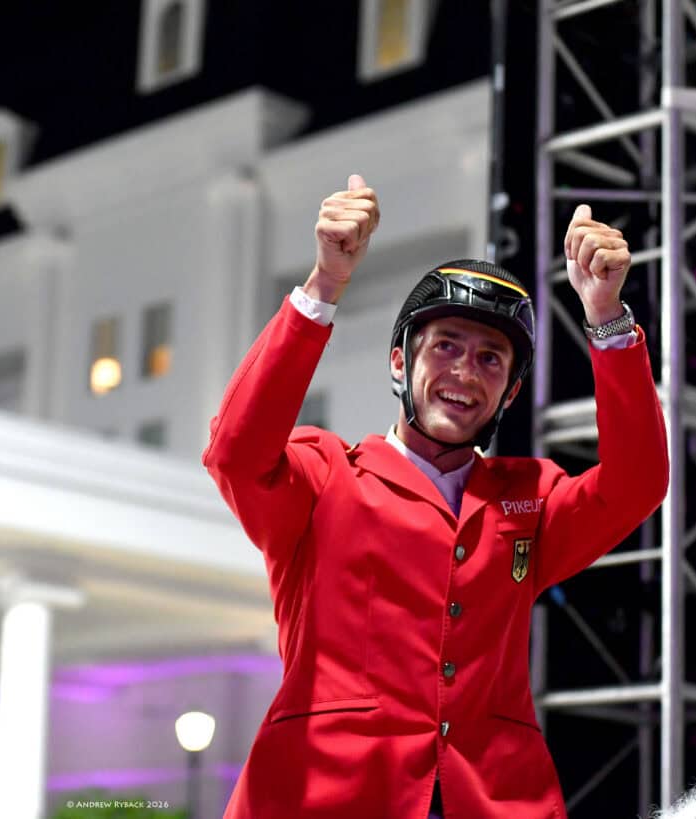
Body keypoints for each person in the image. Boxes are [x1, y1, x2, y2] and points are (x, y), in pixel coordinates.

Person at [202, 174, 669, 818]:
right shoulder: (325, 475)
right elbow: (234, 451)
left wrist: (608, 320)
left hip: (495, 801)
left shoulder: (528, 497)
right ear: (400, 364)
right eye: (445, 346)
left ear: (508, 395)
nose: (463, 372)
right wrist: (325, 284)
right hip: (322, 797)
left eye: (490, 360)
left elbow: (638, 485)